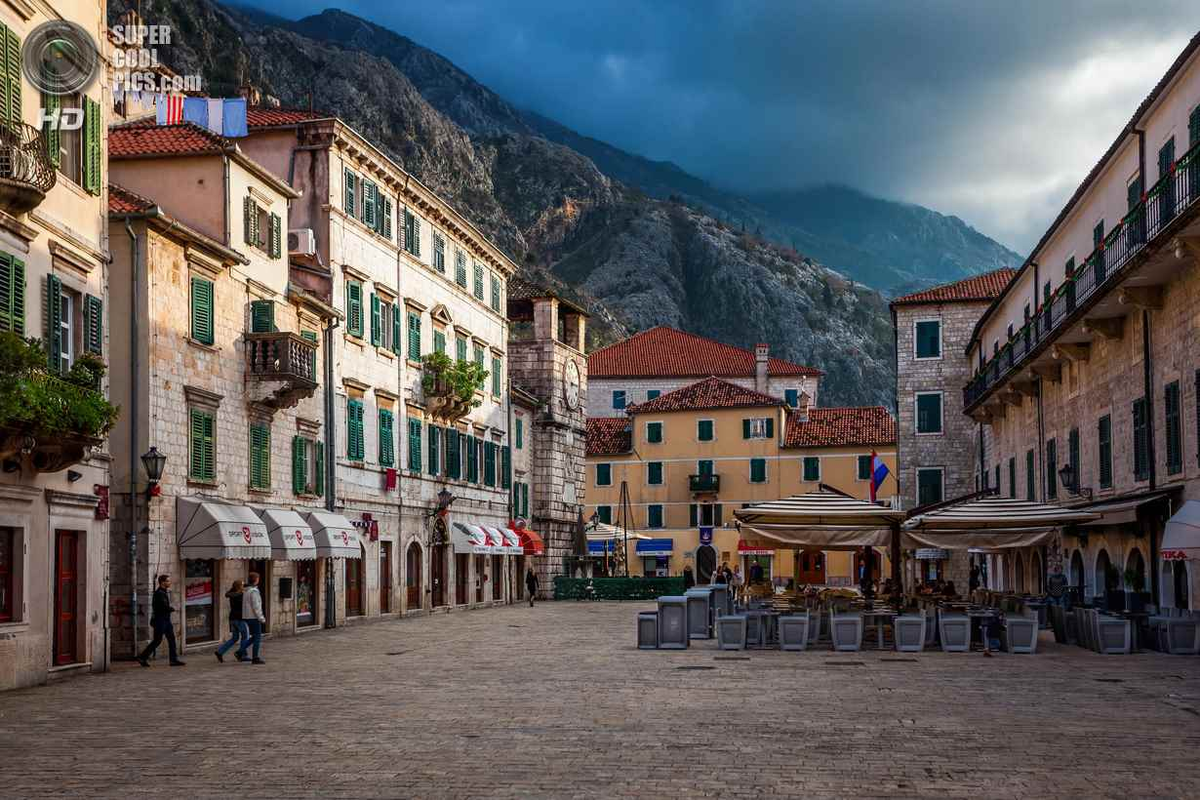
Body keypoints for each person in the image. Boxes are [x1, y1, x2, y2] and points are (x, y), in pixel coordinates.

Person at [138, 574, 185, 667]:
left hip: (166, 620)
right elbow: (162, 607)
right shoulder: (159, 593)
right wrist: (171, 608)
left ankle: (173, 660)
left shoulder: (163, 592)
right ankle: (142, 657)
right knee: (157, 640)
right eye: (168, 581)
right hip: (160, 620)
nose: (169, 582)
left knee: (171, 639)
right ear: (162, 582)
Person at [237, 572, 266, 665]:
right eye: (258, 578)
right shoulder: (253, 591)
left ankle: (240, 651)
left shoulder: (246, 591)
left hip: (247, 616)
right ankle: (255, 657)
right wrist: (261, 618)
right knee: (257, 638)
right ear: (256, 580)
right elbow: (256, 606)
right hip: (253, 617)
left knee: (254, 637)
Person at [214, 580, 247, 663]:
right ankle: (242, 655)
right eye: (242, 585)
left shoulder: (232, 594)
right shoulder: (241, 595)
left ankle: (220, 652)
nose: (244, 586)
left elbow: (228, 594)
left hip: (232, 618)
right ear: (239, 586)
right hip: (239, 619)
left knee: (234, 638)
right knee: (245, 637)